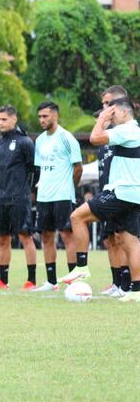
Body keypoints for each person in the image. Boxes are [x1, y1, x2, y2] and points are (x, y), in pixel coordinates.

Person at [63, 91, 139, 287]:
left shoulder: (126, 130)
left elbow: (95, 138)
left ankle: (81, 267)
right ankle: (136, 290)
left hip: (120, 192)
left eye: (113, 114)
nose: (110, 117)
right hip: (133, 194)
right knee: (130, 242)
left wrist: (102, 120)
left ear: (124, 112)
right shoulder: (135, 130)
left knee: (77, 217)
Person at [33, 101, 82, 291]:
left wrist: (70, 188)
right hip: (44, 196)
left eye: (45, 116)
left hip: (62, 195)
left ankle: (73, 282)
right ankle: (51, 282)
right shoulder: (39, 140)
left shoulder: (67, 138)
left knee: (67, 236)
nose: (42, 120)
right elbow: (40, 169)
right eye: (40, 117)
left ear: (55, 115)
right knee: (46, 237)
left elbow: (78, 168)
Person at [92, 87, 134, 296]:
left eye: (108, 104)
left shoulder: (127, 131)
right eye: (103, 105)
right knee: (109, 239)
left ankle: (127, 284)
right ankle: (117, 283)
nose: (104, 109)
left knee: (123, 238)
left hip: (123, 193)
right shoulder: (109, 131)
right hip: (107, 191)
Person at [0, 105, 37, 290]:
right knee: (3, 239)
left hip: (19, 197)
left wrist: (28, 190)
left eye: (4, 119)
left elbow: (34, 170)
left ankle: (32, 280)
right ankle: (2, 281)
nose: (1, 123)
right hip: (0, 198)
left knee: (25, 237)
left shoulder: (25, 142)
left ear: (14, 119)